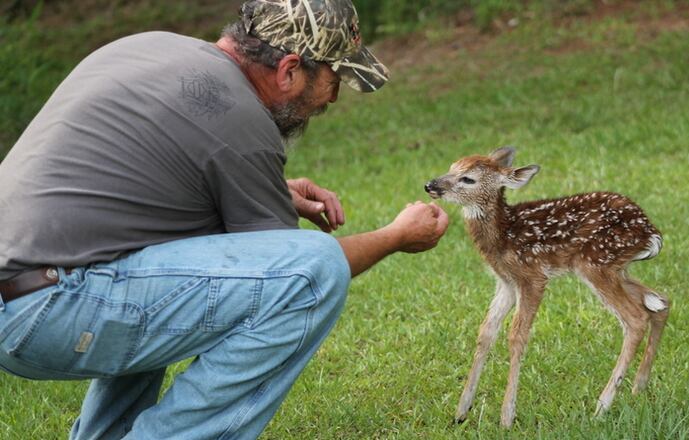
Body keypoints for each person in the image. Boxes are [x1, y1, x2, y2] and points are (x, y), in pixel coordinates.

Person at [0, 0, 449, 438]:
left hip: (29, 292)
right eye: (335, 78)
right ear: (290, 69)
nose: (332, 97)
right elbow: (292, 274)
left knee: (170, 255)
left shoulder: (153, 49)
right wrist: (393, 236)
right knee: (314, 269)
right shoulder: (235, 114)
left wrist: (272, 193)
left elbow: (142, 188)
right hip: (49, 307)